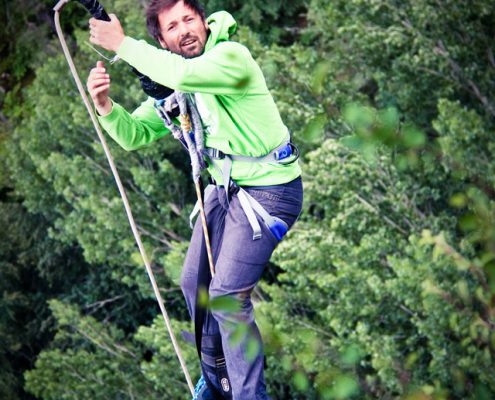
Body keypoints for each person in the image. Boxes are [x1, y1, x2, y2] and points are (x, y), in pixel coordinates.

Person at [87, 1, 303, 399]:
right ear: (163, 40)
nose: (185, 30)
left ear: (204, 23)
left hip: (271, 191)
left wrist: (123, 45)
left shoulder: (229, 58)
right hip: (228, 191)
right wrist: (104, 106)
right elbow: (134, 134)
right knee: (194, 283)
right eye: (173, 27)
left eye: (189, 19)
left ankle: (249, 395)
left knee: (226, 297)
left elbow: (185, 74)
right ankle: (218, 379)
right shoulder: (180, 87)